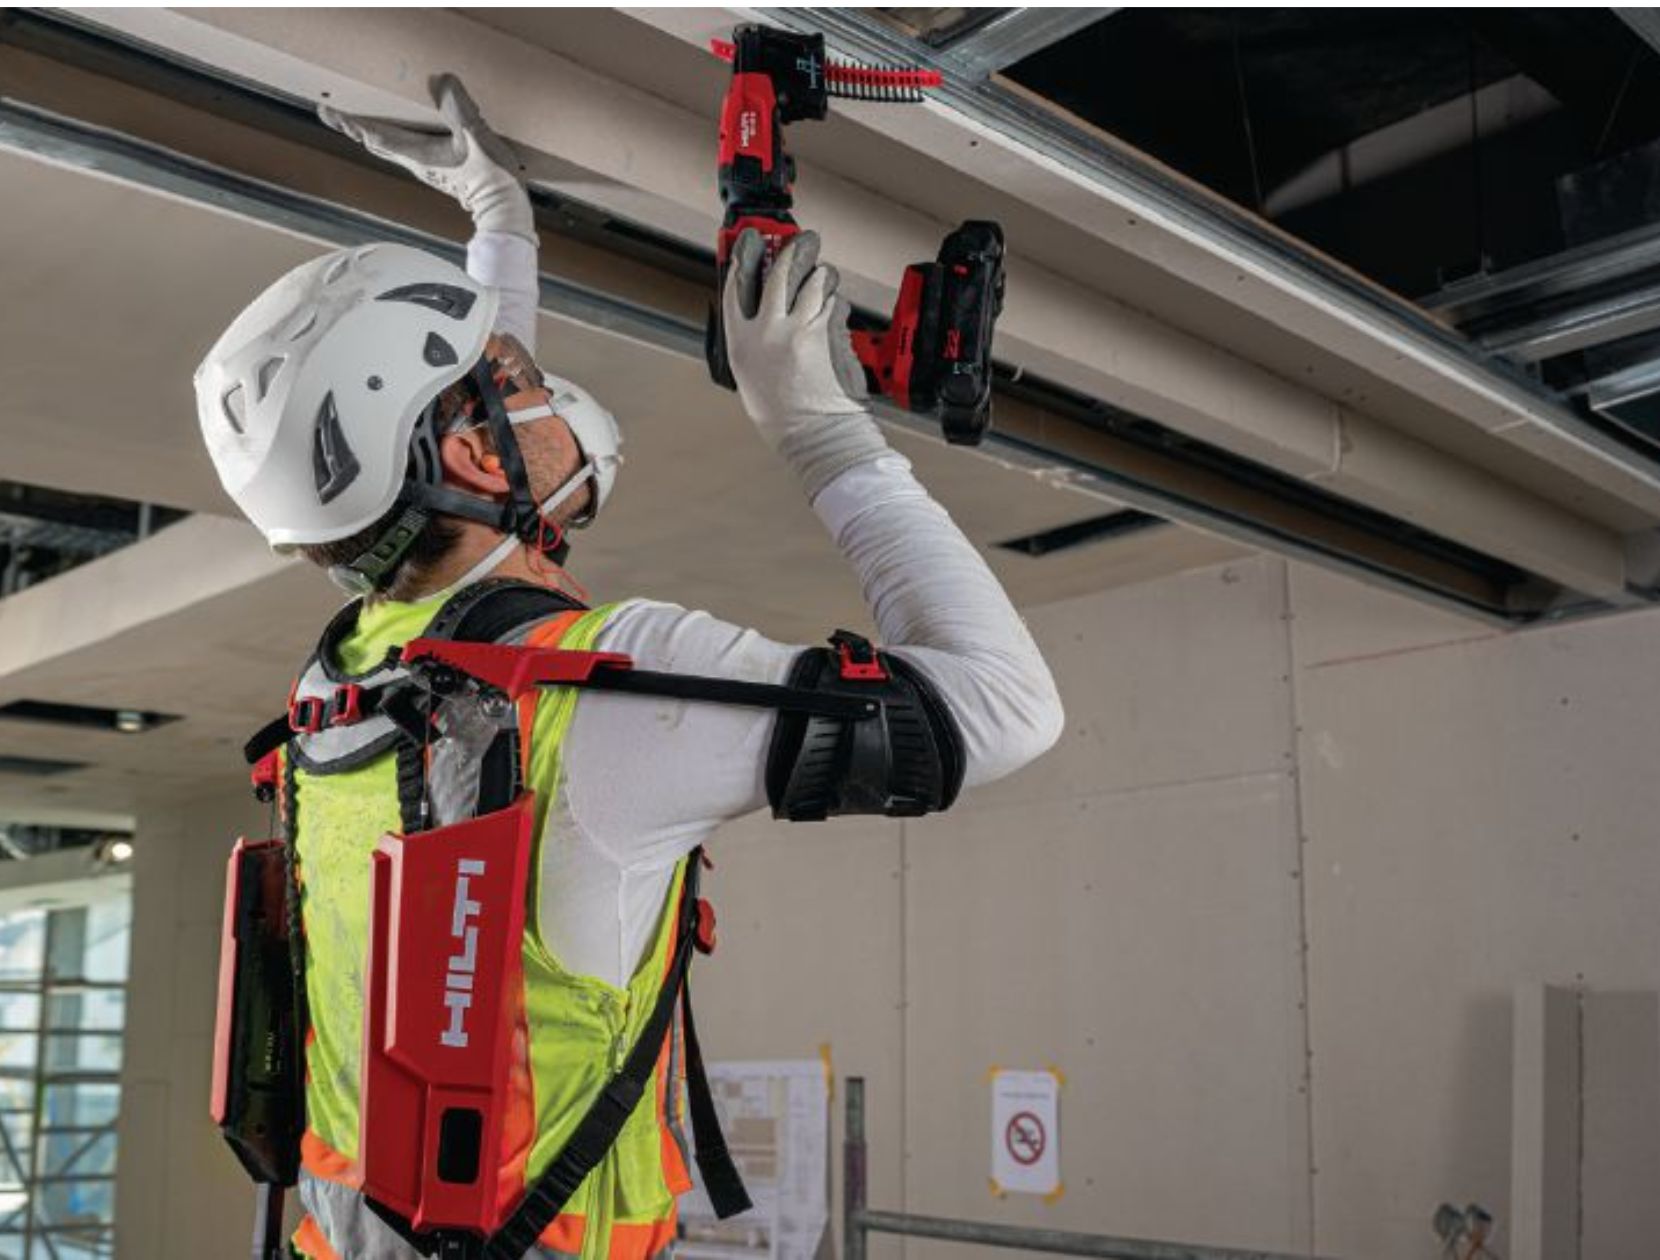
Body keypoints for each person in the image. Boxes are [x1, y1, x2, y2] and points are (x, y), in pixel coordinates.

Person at [194, 76, 1064, 1260]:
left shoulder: (336, 695)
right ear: (463, 447)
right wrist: (820, 431)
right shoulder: (606, 684)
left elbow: (470, 489)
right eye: (516, 382)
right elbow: (1004, 708)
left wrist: (500, 222)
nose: (544, 388)